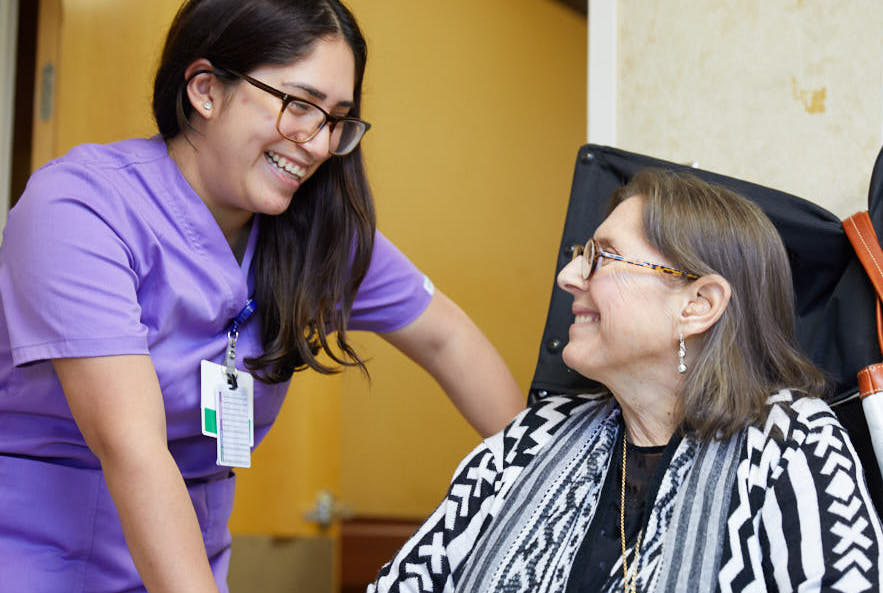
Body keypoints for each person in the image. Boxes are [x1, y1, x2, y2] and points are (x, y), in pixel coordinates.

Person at [0, 1, 524, 591]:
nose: (320, 143)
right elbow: (133, 449)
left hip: (190, 557)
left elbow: (446, 336)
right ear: (205, 91)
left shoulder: (316, 233)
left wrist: (549, 486)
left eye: (336, 119)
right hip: (33, 553)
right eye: (299, 106)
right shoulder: (80, 209)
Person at [369, 169, 883, 593]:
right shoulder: (533, 437)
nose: (568, 277)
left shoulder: (790, 442)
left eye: (602, 257)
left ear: (697, 305)